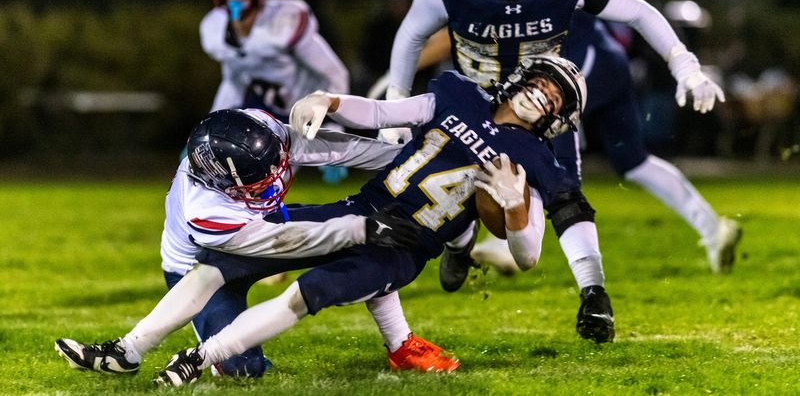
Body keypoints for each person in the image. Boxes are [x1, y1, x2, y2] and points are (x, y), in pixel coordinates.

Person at [55, 55, 587, 386]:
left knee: (304, 294)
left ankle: (199, 357)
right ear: (522, 76)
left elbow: (529, 254)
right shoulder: (460, 95)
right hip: (360, 207)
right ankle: (129, 350)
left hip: (400, 247)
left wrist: (515, 208)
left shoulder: (530, 160)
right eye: (543, 81)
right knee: (219, 263)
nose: (544, 93)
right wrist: (330, 99)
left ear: (558, 116)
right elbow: (382, 116)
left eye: (556, 96)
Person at [382, 0, 725, 343]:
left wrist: (686, 66)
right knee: (443, 190)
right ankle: (460, 244)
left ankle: (594, 294)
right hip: (472, 101)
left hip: (539, 107)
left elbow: (640, 12)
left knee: (566, 192)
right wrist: (397, 101)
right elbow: (411, 35)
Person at [55, 108, 454, 378]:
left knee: (368, 235)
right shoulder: (207, 213)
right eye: (259, 181)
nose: (275, 178)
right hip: (209, 258)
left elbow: (328, 147)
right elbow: (287, 241)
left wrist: (405, 159)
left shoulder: (254, 133)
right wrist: (359, 230)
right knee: (245, 370)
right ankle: (129, 351)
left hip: (260, 227)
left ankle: (401, 344)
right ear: (222, 183)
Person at [202, 0, 349, 183]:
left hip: (300, 114)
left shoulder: (285, 21)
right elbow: (233, 81)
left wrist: (334, 131)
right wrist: (209, 129)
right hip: (262, 111)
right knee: (235, 183)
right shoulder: (214, 28)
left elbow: (333, 72)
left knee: (270, 185)